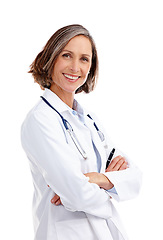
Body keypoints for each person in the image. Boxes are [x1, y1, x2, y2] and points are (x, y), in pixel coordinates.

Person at [21, 24, 142, 240]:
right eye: (67, 55)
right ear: (51, 59)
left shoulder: (90, 120)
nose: (75, 67)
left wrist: (97, 179)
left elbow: (134, 178)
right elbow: (76, 195)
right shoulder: (41, 120)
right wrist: (110, 187)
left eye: (84, 59)